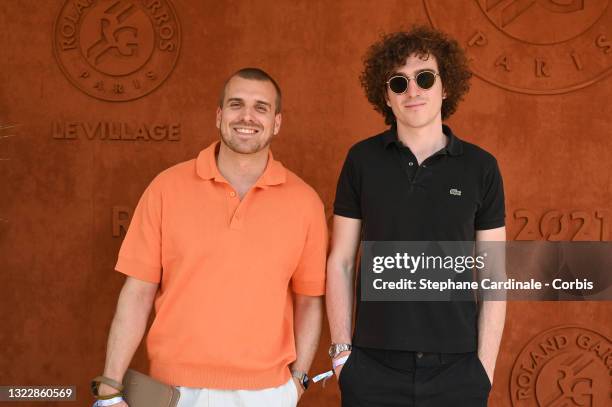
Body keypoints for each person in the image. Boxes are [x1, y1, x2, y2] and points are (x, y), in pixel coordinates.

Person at [93, 68, 327, 407]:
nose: (247, 116)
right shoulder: (166, 188)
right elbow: (137, 292)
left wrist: (298, 381)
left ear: (277, 122)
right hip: (173, 391)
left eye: (261, 107)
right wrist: (110, 388)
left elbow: (309, 300)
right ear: (219, 115)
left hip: (266, 394)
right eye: (236, 104)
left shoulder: (305, 202)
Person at [326, 26, 507, 406]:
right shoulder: (361, 160)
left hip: (457, 370)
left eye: (425, 78)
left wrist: (483, 369)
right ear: (386, 97)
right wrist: (342, 354)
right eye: (398, 82)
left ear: (446, 87)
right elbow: (340, 262)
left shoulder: (481, 168)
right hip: (371, 367)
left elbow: (493, 275)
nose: (413, 91)